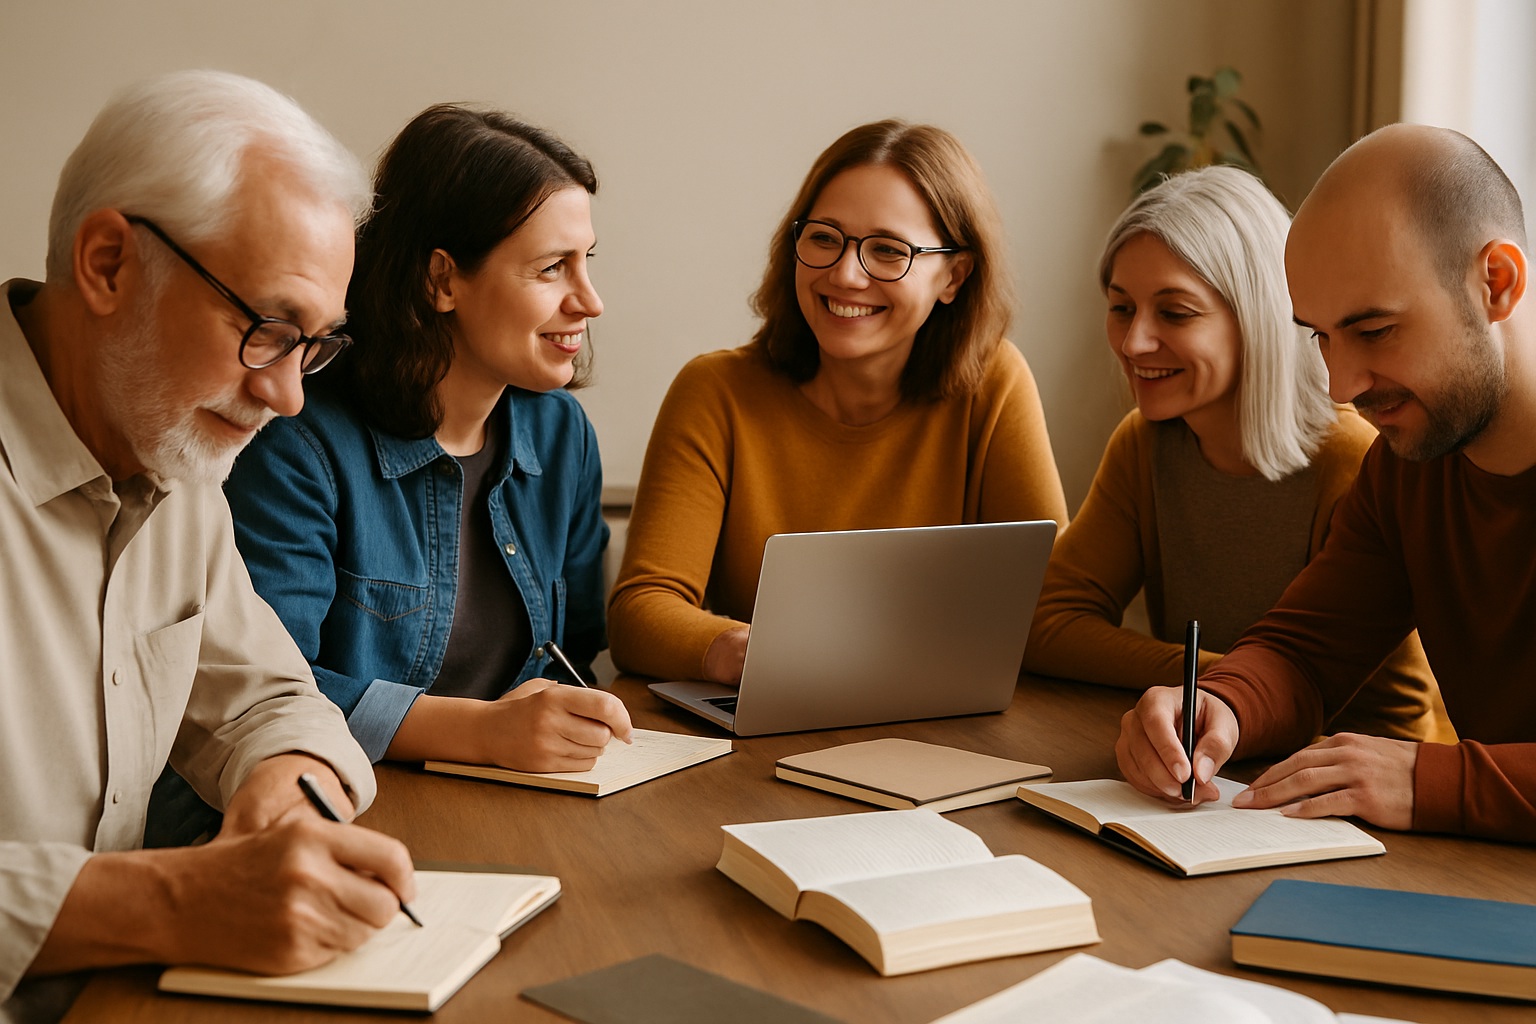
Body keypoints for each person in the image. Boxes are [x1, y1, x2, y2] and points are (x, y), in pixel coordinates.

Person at [0, 71, 413, 1022]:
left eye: (315, 347)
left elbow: (268, 699)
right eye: (267, 329)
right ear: (107, 263)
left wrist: (287, 798)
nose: (290, 396)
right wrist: (181, 900)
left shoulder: (173, 454)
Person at [1116, 124, 1536, 843]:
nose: (1342, 387)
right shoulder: (1408, 466)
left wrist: (1430, 779)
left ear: (1495, 283)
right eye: (1321, 337)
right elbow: (1306, 654)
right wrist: (1220, 708)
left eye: (1374, 331)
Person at [219, 104, 631, 773]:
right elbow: (263, 694)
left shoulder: (561, 437)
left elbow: (575, 653)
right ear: (443, 279)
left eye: (586, 261)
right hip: (348, 802)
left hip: (519, 798)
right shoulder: (299, 441)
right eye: (553, 267)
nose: (590, 299)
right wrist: (482, 733)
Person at [608, 120, 1069, 683]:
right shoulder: (715, 391)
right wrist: (749, 652)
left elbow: (1052, 610)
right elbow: (640, 611)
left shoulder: (994, 382)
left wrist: (1207, 677)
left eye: (887, 250)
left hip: (942, 725)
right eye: (824, 238)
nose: (846, 274)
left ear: (954, 275)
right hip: (759, 724)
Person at [1025, 166, 1449, 742]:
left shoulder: (1353, 459)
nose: (1134, 342)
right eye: (1121, 307)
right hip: (1212, 763)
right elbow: (1045, 626)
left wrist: (1236, 695)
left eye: (1174, 312)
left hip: (1336, 789)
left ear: (1257, 318)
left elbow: (1397, 721)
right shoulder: (1145, 445)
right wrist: (1230, 687)